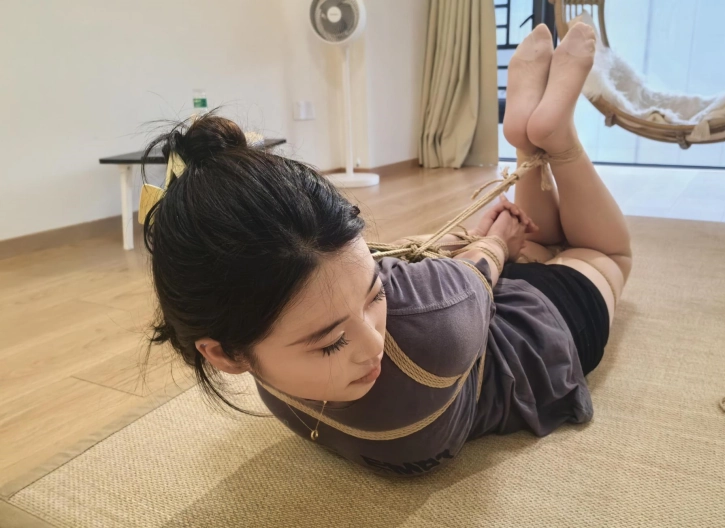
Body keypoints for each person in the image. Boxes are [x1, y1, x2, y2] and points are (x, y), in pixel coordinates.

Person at [142, 22, 631, 477]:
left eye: (377, 294)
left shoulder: (264, 341)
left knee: (565, 248)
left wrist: (479, 240)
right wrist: (493, 241)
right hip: (531, 335)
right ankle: (550, 140)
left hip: (488, 318)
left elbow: (427, 267)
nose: (374, 345)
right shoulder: (434, 327)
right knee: (593, 253)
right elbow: (468, 277)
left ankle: (544, 145)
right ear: (225, 354)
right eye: (331, 343)